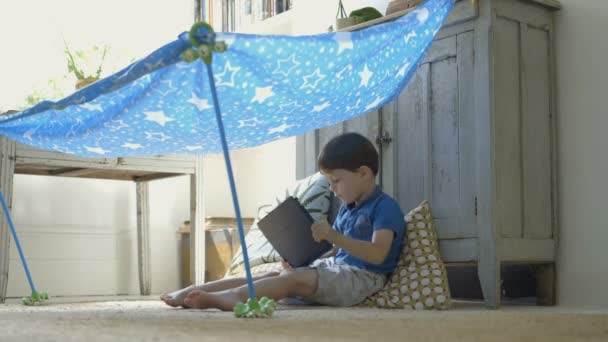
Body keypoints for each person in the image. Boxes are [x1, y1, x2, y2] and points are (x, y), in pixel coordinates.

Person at [161, 132, 405, 310]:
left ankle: (235, 297)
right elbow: (337, 252)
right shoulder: (347, 209)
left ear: (363, 173)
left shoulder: (385, 207)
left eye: (336, 180)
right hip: (336, 269)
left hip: (363, 278)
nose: (331, 189)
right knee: (273, 275)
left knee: (291, 280)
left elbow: (377, 254)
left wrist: (334, 236)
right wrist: (303, 259)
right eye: (328, 182)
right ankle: (196, 290)